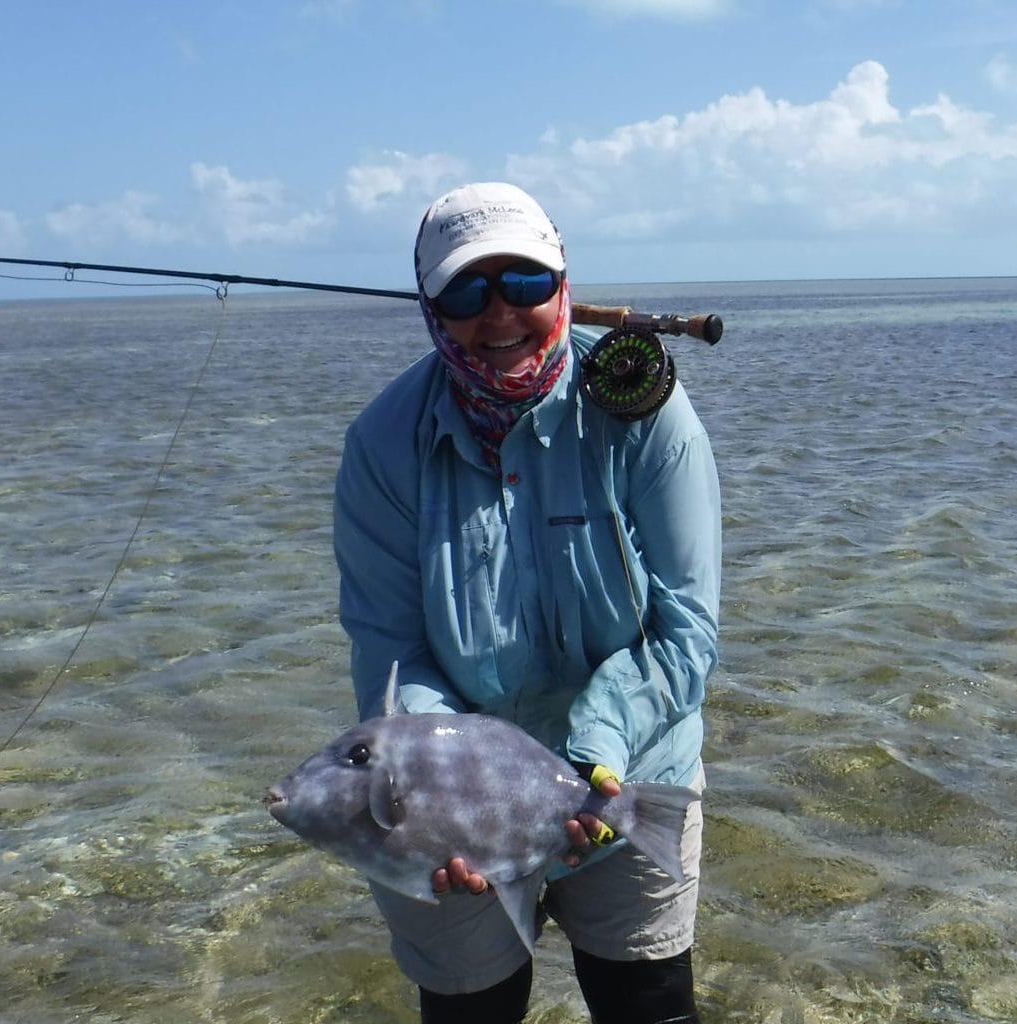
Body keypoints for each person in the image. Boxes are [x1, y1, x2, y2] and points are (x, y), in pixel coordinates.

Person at [332, 182, 721, 1024]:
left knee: (647, 1003)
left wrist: (597, 755)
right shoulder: (380, 446)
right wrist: (438, 792)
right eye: (467, 292)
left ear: (564, 285)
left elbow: (685, 628)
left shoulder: (648, 416)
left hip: (635, 769)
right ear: (430, 307)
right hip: (462, 807)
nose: (499, 315)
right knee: (471, 1010)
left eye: (524, 285)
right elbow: (393, 651)